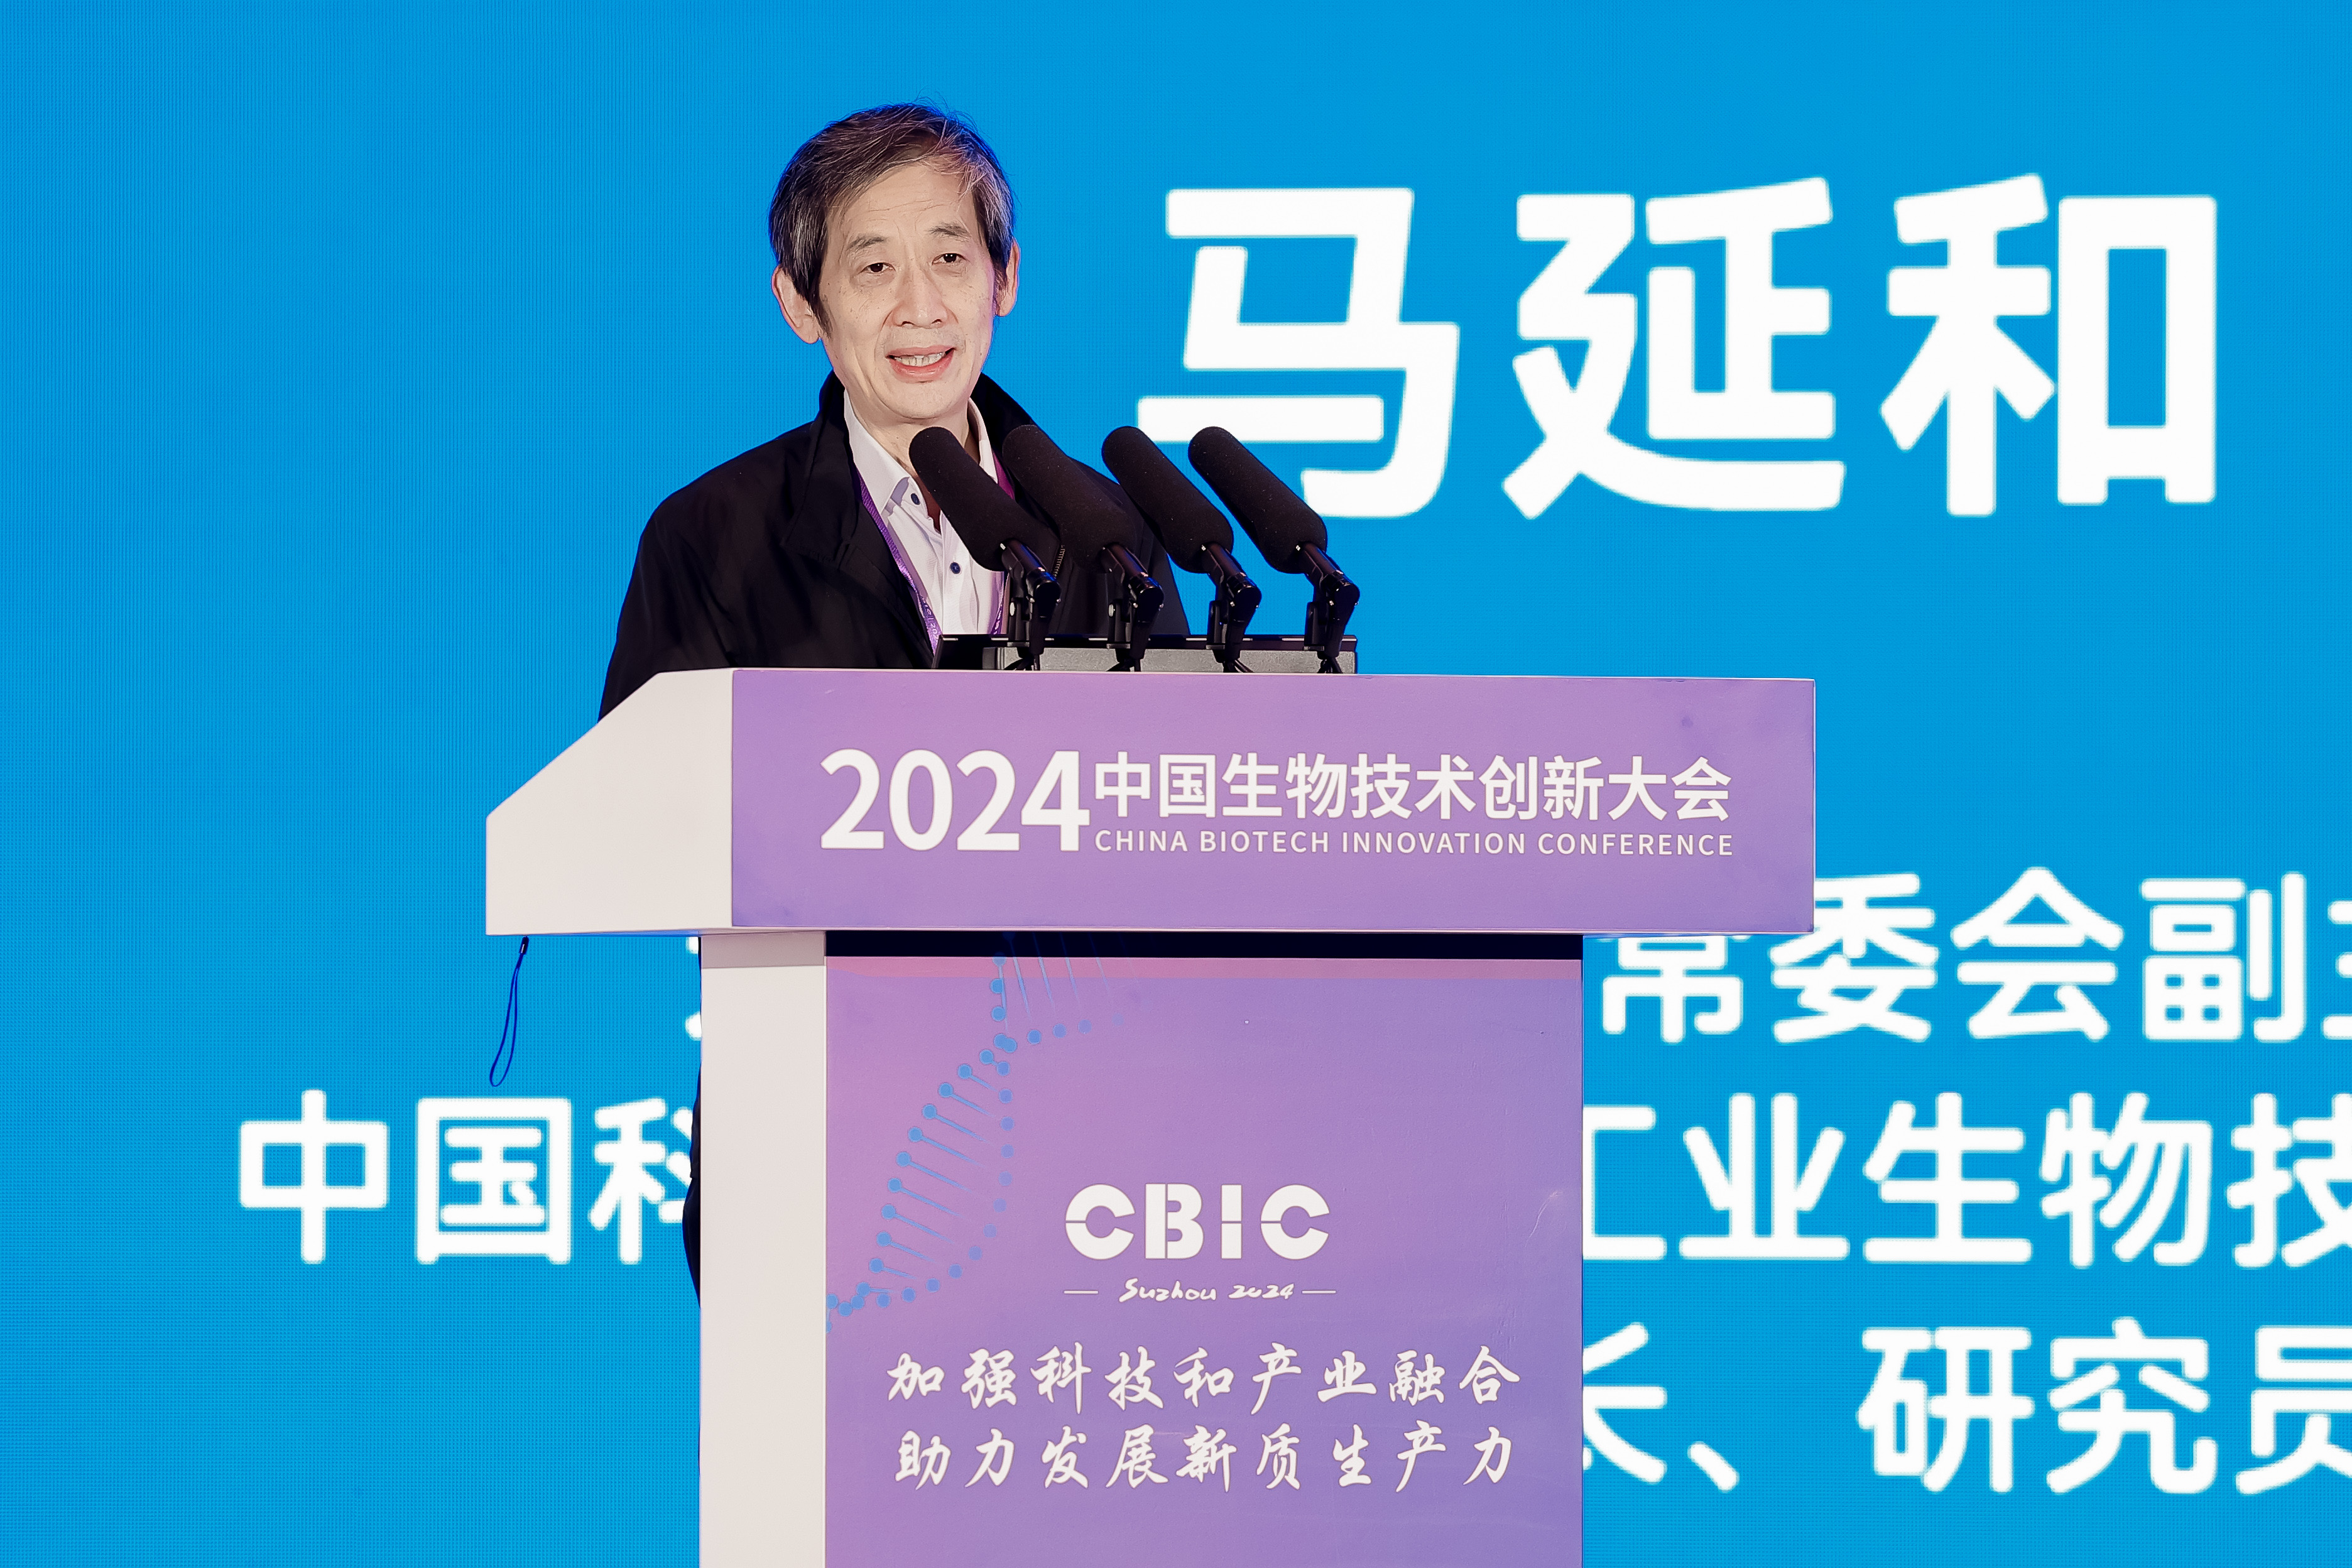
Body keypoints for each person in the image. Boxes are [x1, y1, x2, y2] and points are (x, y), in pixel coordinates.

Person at [599, 104, 1187, 1292]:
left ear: (1005, 279)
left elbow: (1189, 816)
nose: (921, 306)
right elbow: (638, 830)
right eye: (873, 268)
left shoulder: (1107, 534)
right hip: (814, 1126)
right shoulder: (716, 535)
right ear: (800, 304)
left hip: (1093, 1139)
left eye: (951, 258)